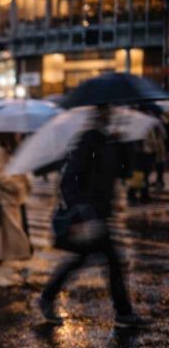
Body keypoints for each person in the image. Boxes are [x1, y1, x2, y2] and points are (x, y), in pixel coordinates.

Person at [38, 105, 151, 328]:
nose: (114, 117)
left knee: (84, 259)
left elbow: (124, 171)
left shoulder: (109, 141)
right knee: (111, 261)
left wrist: (124, 143)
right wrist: (81, 212)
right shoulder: (89, 141)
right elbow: (69, 178)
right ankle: (123, 312)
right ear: (101, 116)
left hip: (99, 212)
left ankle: (47, 297)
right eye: (109, 113)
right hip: (89, 215)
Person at [0, 134, 32, 287]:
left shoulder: (7, 150)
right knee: (2, 238)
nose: (19, 135)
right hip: (3, 200)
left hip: (10, 201)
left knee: (6, 238)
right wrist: (16, 185)